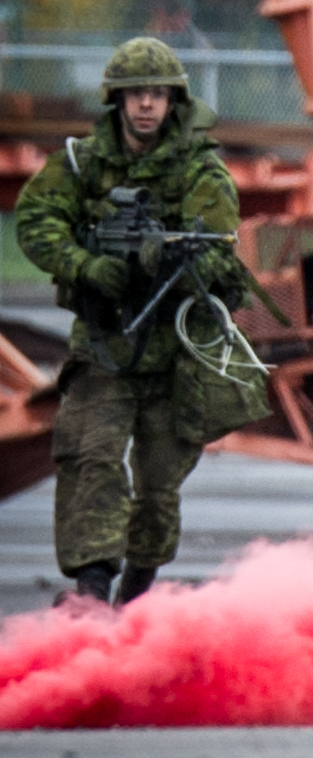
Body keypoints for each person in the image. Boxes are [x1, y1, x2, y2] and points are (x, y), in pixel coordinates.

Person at [16, 37, 247, 606]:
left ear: (173, 102)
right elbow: (36, 219)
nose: (146, 104)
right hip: (104, 346)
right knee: (92, 458)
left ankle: (136, 596)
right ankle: (92, 589)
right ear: (116, 101)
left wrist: (171, 262)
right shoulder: (79, 164)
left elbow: (220, 248)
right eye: (135, 94)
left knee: (157, 494)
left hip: (173, 355)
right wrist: (86, 264)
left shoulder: (201, 170)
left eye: (157, 95)